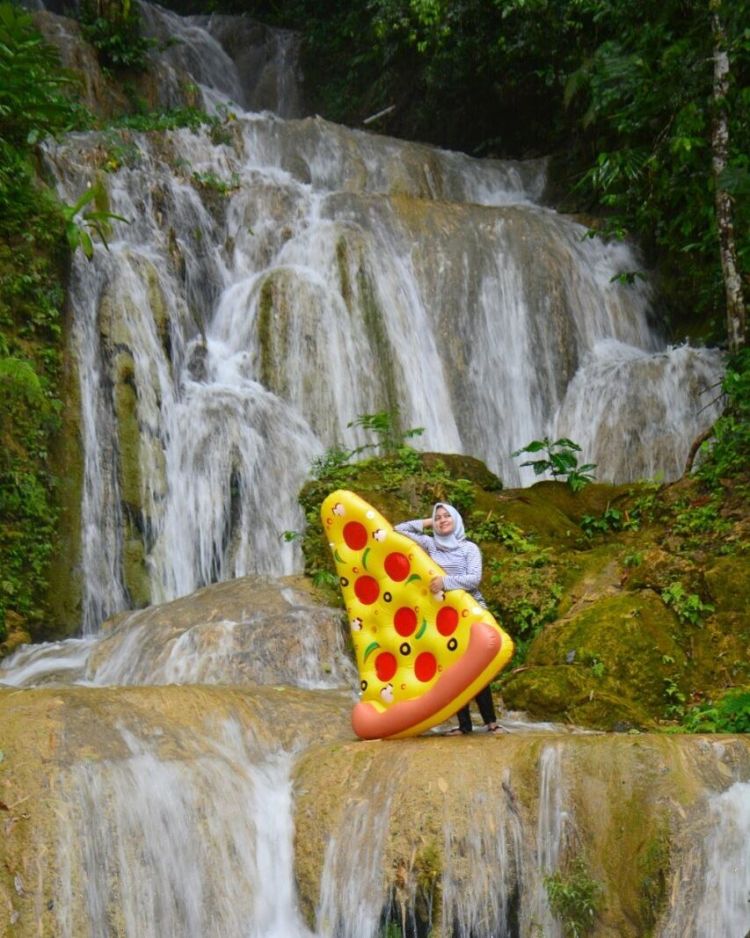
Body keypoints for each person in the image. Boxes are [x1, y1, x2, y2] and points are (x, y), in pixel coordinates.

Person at [395, 502, 506, 735]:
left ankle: (490, 722)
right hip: (444, 617)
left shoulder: (469, 548)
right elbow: (397, 530)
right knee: (454, 667)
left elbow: (474, 579)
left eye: (447, 516)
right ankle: (464, 725)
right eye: (439, 517)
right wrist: (427, 521)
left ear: (457, 520)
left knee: (476, 666)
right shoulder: (430, 545)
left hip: (472, 612)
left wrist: (445, 582)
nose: (443, 520)